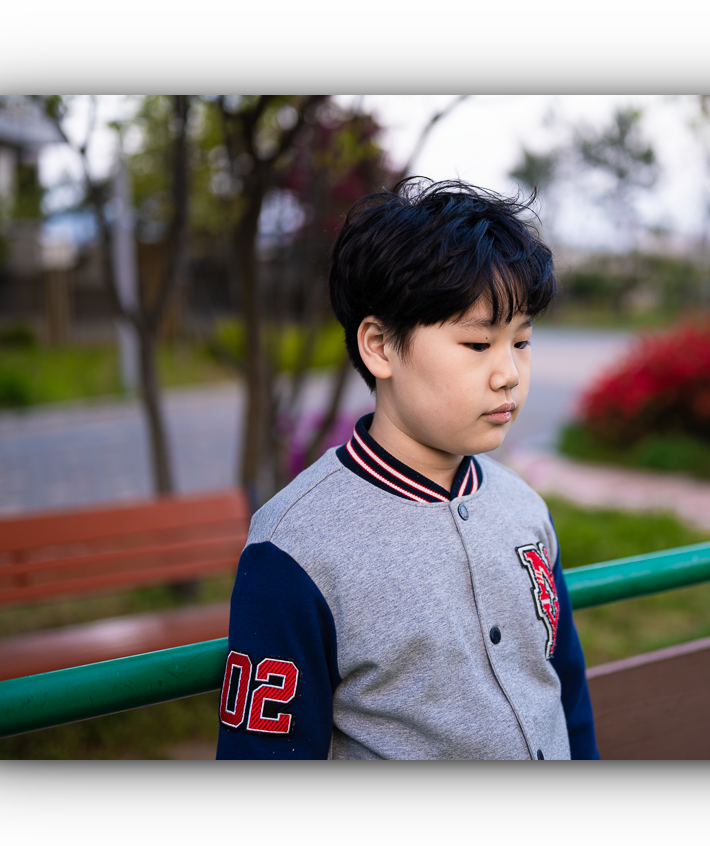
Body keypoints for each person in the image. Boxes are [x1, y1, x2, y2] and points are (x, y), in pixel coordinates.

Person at [216, 178, 598, 759]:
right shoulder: (296, 547)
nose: (509, 375)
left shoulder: (524, 510)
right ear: (380, 346)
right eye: (478, 345)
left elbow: (565, 692)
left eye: (520, 342)